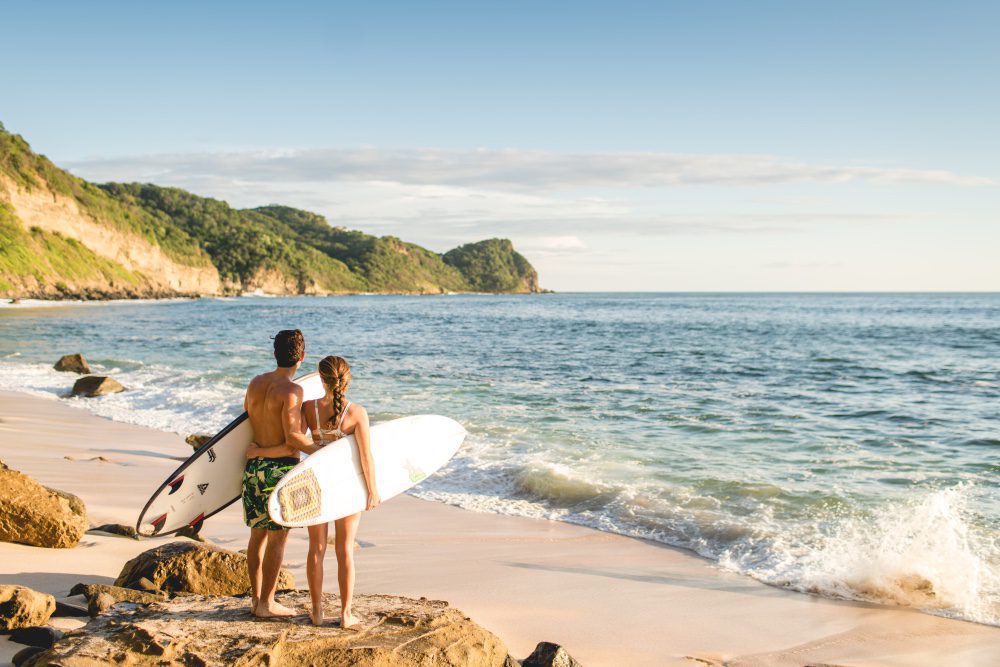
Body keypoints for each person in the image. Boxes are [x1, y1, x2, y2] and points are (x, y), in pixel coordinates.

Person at [248, 355, 380, 628]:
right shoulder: (357, 413)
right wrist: (372, 491)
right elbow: (366, 457)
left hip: (316, 484)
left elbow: (296, 441)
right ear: (347, 379)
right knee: (345, 550)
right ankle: (345, 615)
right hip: (345, 486)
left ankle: (318, 612)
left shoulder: (309, 409)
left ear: (321, 380)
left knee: (316, 549)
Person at [242, 329, 320, 618]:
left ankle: (255, 599)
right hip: (278, 472)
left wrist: (259, 450)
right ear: (302, 357)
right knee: (278, 538)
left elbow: (246, 419)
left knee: (257, 535)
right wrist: (322, 451)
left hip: (253, 471)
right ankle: (267, 603)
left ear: (275, 354)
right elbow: (292, 440)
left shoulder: (255, 384)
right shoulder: (293, 391)